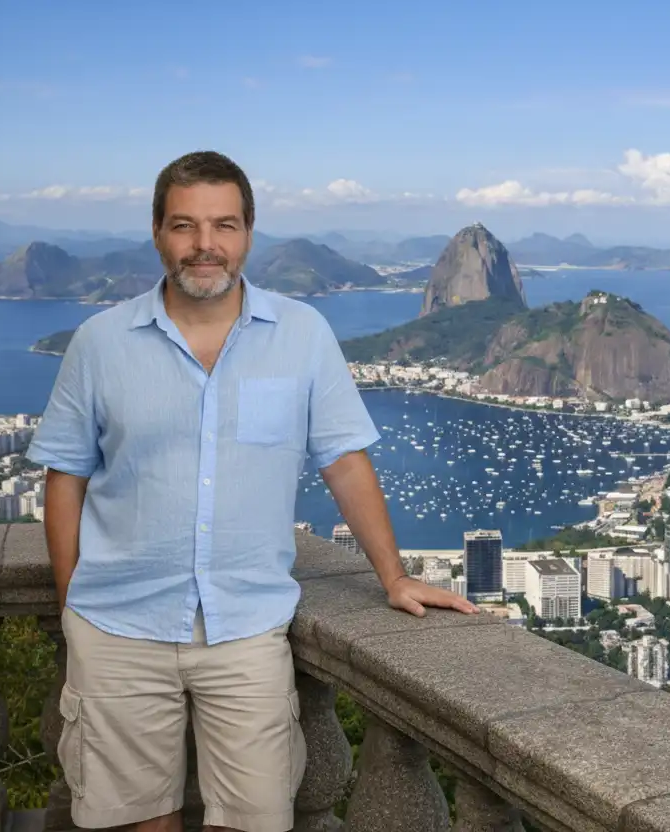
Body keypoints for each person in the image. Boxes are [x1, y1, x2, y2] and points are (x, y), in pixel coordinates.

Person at [26, 150, 479, 832]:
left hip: (246, 628)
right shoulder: (100, 342)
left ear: (248, 233)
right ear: (157, 232)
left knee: (254, 821)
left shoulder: (302, 335)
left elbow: (345, 462)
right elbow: (64, 479)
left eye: (224, 226)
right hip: (116, 627)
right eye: (185, 226)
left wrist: (394, 577)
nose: (206, 245)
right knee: (134, 822)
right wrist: (72, 606)